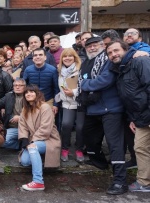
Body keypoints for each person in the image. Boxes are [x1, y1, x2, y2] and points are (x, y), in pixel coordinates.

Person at [79, 37, 127, 195]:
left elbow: (104, 81)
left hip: (111, 109)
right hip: (92, 109)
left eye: (95, 45)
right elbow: (81, 80)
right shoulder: (86, 63)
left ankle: (120, 181)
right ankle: (100, 164)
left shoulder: (109, 61)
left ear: (102, 46)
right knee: (89, 139)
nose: (92, 48)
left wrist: (84, 85)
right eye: (89, 46)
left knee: (115, 145)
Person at [106, 40, 150, 192]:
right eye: (110, 53)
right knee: (140, 148)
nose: (113, 54)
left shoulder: (141, 61)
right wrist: (132, 118)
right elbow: (128, 97)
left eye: (116, 50)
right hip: (140, 116)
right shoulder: (119, 69)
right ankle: (144, 183)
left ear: (126, 49)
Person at [18, 84, 61, 191]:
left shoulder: (45, 107)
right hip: (35, 140)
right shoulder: (25, 109)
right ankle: (39, 157)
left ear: (37, 94)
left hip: (49, 139)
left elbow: (45, 129)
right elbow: (22, 127)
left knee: (32, 147)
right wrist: (24, 139)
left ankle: (38, 181)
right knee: (24, 161)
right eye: (26, 92)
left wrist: (31, 141)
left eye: (31, 92)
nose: (29, 94)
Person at [54, 48, 84, 162]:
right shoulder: (59, 71)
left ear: (74, 57)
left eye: (70, 56)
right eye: (65, 56)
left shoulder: (80, 69)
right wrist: (59, 97)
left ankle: (79, 149)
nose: (67, 58)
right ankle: (65, 148)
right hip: (67, 103)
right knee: (66, 125)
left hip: (80, 102)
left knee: (80, 127)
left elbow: (85, 85)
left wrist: (74, 92)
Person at [23, 48, 59, 114]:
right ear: (33, 58)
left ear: (45, 57)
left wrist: (55, 105)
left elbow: (56, 88)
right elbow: (24, 87)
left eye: (40, 55)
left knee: (49, 122)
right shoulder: (28, 70)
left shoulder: (52, 70)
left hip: (48, 100)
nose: (38, 57)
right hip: (32, 101)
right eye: (35, 55)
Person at [0, 78, 26, 150]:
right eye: (15, 85)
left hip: (27, 128)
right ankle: (19, 145)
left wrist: (20, 117)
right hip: (13, 128)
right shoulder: (9, 96)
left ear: (25, 87)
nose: (17, 87)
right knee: (0, 142)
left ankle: (23, 143)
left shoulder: (29, 96)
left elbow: (34, 114)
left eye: (20, 85)